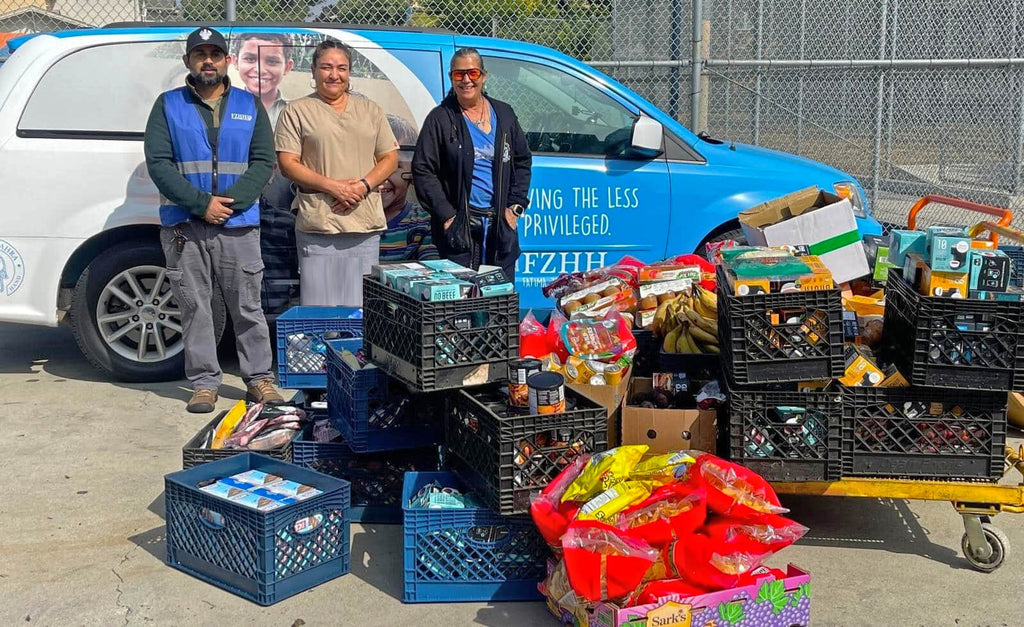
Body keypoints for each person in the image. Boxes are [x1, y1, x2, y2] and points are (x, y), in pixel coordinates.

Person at [144, 27, 285, 413]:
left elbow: (263, 161)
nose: (208, 60)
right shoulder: (167, 105)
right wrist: (201, 204)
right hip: (184, 225)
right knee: (194, 306)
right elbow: (159, 164)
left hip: (238, 224)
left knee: (247, 306)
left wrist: (230, 203)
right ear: (188, 61)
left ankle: (259, 379)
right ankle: (204, 383)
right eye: (200, 54)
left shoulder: (249, 104)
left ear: (227, 61)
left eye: (215, 54)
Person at [275, 39, 399, 306]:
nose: (334, 75)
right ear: (313, 70)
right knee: (322, 311)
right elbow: (287, 163)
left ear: (349, 72)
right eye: (326, 67)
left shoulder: (371, 110)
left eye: (341, 68)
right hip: (320, 226)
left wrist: (363, 186)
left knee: (362, 310)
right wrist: (334, 187)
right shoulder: (296, 111)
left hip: (363, 225)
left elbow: (389, 158)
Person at [412, 47, 532, 281]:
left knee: (499, 302)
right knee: (461, 305)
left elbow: (522, 160)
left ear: (483, 76)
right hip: (460, 232)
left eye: (472, 73)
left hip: (499, 229)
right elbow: (423, 169)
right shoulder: (441, 118)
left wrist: (515, 207)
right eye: (459, 74)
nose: (466, 80)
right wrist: (448, 216)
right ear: (451, 78)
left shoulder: (504, 114)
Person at [379, 114, 439, 262]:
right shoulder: (348, 220)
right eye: (372, 165)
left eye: (394, 166)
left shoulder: (422, 222)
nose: (380, 176)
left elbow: (431, 270)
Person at [232, 32, 294, 128]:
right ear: (235, 61)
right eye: (250, 59)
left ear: (287, 67)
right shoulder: (226, 107)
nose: (260, 70)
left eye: (272, 61)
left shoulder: (295, 111)